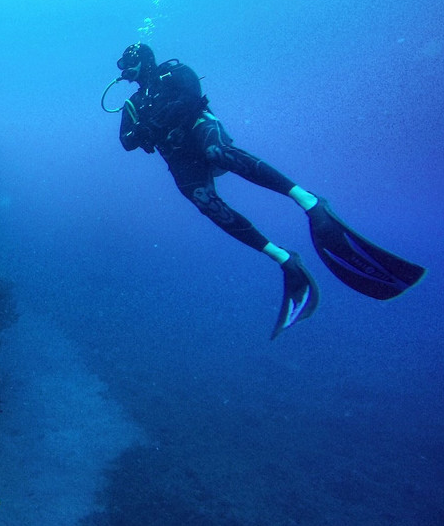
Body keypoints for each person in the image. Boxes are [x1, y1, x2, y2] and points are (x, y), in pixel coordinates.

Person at [114, 42, 425, 338]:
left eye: (128, 62)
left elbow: (191, 96)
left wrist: (154, 124)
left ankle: (309, 202)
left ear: (145, 59)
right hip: (179, 154)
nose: (125, 69)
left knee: (217, 153)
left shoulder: (174, 72)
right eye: (122, 66)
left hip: (199, 128)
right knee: (203, 200)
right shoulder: (134, 104)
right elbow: (126, 141)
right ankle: (283, 258)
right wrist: (143, 130)